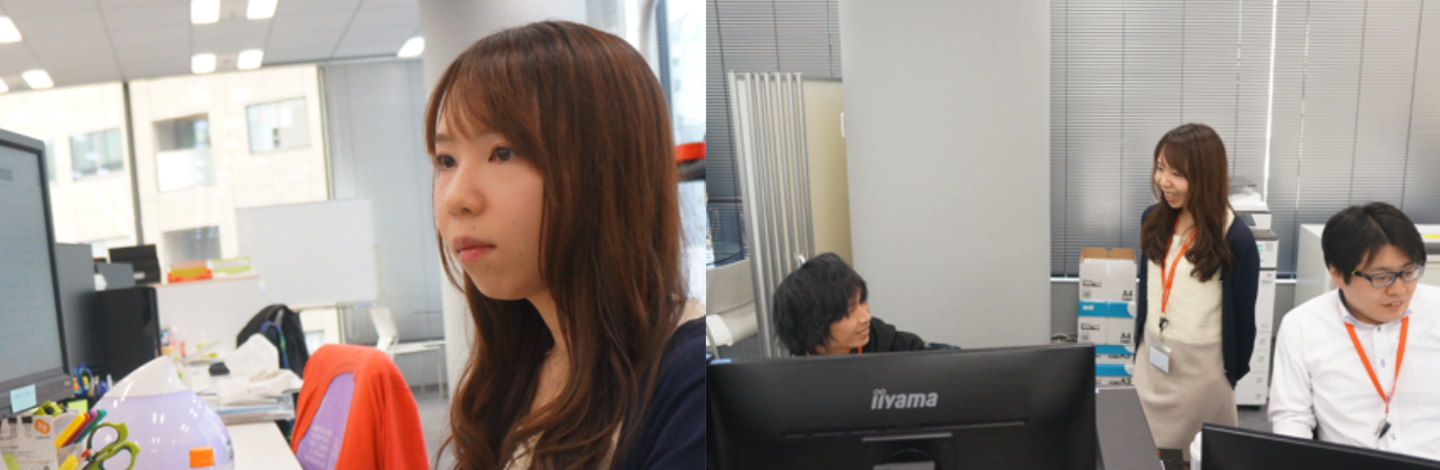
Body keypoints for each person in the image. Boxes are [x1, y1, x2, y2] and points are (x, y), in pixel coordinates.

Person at [426, 21, 702, 469]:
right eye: (446, 160)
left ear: (603, 167)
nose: (456, 198)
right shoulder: (520, 366)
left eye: (503, 153)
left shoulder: (688, 381)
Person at [1268, 203, 1440, 459]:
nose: (1399, 290)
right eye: (1381, 277)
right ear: (1337, 274)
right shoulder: (1302, 325)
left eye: (1409, 271)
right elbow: (1292, 417)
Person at [1131, 123, 1260, 460]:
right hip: (1151, 362)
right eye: (1160, 168)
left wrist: (1228, 376)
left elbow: (1243, 321)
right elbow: (1149, 292)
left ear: (1205, 177)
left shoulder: (1235, 238)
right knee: (1142, 450)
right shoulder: (1152, 219)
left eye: (1177, 174)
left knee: (1197, 457)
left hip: (1202, 374)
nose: (1163, 181)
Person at [772, 253, 932, 356]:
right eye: (849, 311)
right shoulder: (794, 377)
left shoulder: (908, 352)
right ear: (812, 324)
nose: (866, 317)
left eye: (862, 301)